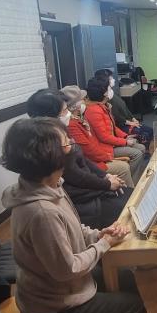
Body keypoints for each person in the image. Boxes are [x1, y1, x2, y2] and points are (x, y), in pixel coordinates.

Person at [0, 117, 146, 313]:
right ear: (49, 156)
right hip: (50, 311)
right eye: (67, 143)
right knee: (132, 308)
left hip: (57, 289)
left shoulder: (48, 185)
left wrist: (98, 235)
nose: (72, 147)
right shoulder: (41, 212)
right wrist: (104, 244)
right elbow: (68, 269)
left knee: (124, 277)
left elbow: (74, 228)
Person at [27, 88, 133, 227]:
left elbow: (83, 160)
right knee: (129, 208)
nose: (69, 113)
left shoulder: (61, 131)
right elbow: (76, 176)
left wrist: (106, 176)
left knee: (131, 196)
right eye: (65, 110)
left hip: (90, 189)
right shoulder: (49, 145)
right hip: (82, 200)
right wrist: (107, 184)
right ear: (49, 117)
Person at [60, 85, 136, 188]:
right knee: (125, 166)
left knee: (133, 153)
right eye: (82, 99)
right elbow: (89, 149)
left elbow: (111, 128)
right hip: (96, 159)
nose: (85, 101)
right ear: (75, 105)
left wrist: (125, 137)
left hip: (100, 154)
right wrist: (108, 156)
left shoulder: (80, 117)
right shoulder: (73, 123)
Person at [85, 77, 147, 182]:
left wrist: (125, 136)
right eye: (108, 88)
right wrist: (125, 142)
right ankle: (129, 181)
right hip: (105, 148)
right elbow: (104, 137)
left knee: (141, 147)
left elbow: (113, 127)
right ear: (103, 93)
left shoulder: (103, 106)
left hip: (111, 144)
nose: (110, 90)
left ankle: (132, 179)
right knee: (137, 153)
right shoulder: (94, 111)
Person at [95, 68, 154, 149]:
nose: (113, 80)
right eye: (110, 78)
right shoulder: (106, 97)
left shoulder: (112, 93)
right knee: (144, 134)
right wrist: (130, 123)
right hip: (122, 125)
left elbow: (125, 107)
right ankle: (144, 151)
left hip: (128, 121)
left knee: (150, 130)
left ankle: (146, 150)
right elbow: (116, 116)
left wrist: (133, 118)